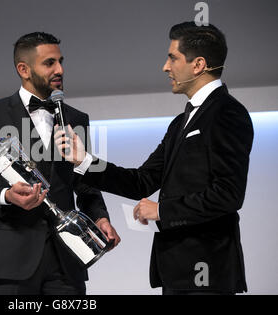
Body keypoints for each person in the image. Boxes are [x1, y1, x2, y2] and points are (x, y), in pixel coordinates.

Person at [55, 22, 254, 295]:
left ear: (198, 65)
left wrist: (161, 210)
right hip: (176, 270)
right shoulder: (179, 123)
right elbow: (141, 181)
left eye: (173, 57)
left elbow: (228, 195)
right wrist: (85, 161)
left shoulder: (228, 114)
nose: (165, 67)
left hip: (207, 270)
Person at [0, 32, 120, 295]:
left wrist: (100, 217)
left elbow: (86, 182)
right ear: (23, 69)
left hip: (68, 261)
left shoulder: (77, 118)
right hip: (12, 261)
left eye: (60, 61)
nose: (60, 70)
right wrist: (6, 196)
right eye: (49, 63)